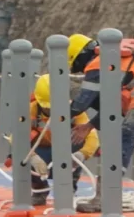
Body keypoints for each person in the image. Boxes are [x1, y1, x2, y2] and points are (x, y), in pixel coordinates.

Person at [66, 33, 134, 213]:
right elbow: (113, 105)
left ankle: (104, 198)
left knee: (120, 143)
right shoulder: (115, 60)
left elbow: (83, 102)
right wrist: (89, 126)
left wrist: (61, 116)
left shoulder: (97, 63)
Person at [20, 74, 99, 206]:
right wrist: (33, 157)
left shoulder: (75, 110)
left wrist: (81, 154)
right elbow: (16, 138)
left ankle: (68, 190)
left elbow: (92, 137)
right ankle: (39, 191)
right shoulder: (31, 110)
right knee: (19, 152)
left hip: (65, 152)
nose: (50, 110)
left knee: (79, 139)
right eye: (47, 106)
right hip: (41, 150)